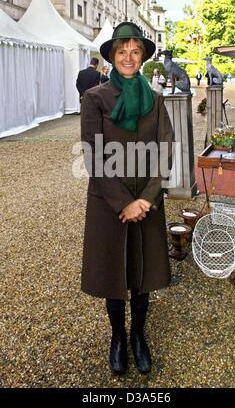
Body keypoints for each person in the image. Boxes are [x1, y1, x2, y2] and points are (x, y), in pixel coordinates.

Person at [80, 22, 174, 375]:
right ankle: (118, 336)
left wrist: (147, 198)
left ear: (143, 57)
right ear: (112, 57)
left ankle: (138, 336)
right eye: (122, 52)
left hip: (147, 199)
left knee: (142, 271)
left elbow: (166, 150)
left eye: (135, 51)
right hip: (109, 202)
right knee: (114, 272)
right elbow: (93, 155)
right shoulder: (96, 98)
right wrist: (124, 202)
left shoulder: (156, 99)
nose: (128, 58)